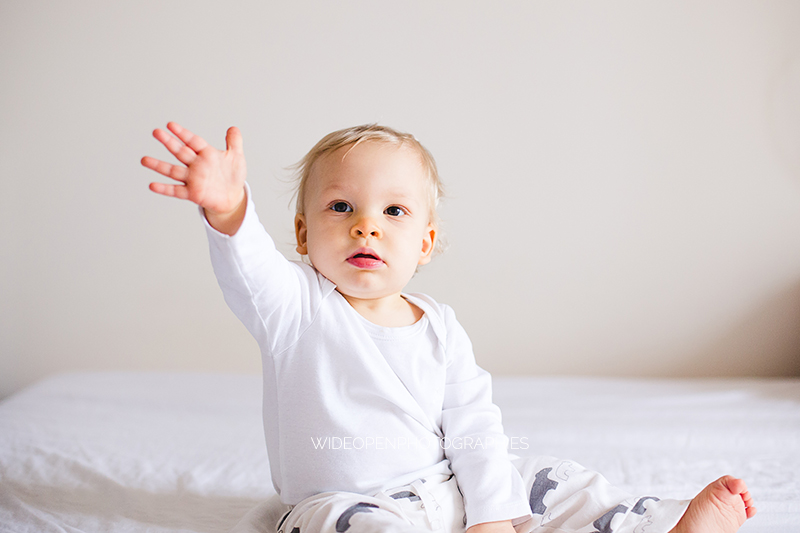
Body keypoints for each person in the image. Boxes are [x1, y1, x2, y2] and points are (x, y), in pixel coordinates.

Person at [141, 122, 757, 533]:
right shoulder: (296, 308)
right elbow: (250, 271)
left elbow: (475, 427)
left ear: (426, 243)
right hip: (348, 505)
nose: (366, 226)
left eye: (394, 211)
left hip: (447, 490)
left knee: (553, 481)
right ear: (302, 235)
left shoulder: (439, 326)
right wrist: (228, 210)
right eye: (339, 207)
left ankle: (657, 523)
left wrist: (491, 516)